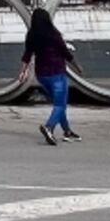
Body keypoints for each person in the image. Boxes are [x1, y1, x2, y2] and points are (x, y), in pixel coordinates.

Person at [19, 8, 79, 145]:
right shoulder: (53, 34)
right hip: (57, 73)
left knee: (59, 103)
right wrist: (77, 66)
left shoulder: (32, 35)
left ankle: (67, 132)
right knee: (60, 104)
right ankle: (49, 127)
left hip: (41, 75)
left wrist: (22, 72)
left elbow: (27, 55)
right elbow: (65, 52)